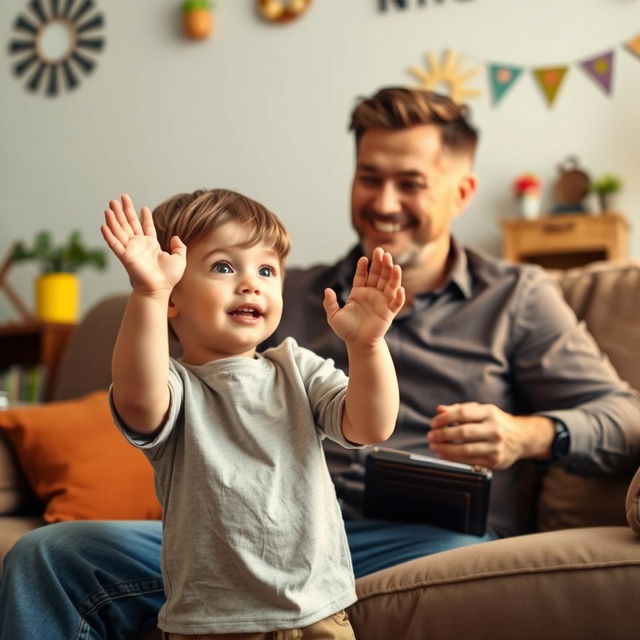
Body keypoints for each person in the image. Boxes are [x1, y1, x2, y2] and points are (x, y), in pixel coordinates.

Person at [2, 87, 640, 640]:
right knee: (53, 554)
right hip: (240, 534)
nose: (384, 202)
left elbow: (624, 415)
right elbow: (151, 391)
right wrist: (153, 293)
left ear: (462, 190)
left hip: (417, 536)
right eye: (369, 177)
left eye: (410, 182)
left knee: (462, 555)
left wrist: (529, 433)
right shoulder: (284, 294)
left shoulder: (518, 297)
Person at [99, 188, 405, 638]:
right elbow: (138, 400)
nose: (251, 283)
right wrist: (148, 292)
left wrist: (367, 346)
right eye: (224, 267)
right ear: (172, 299)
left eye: (266, 269)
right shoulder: (177, 388)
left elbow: (370, 426)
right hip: (211, 624)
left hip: (318, 613)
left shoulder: (298, 368)